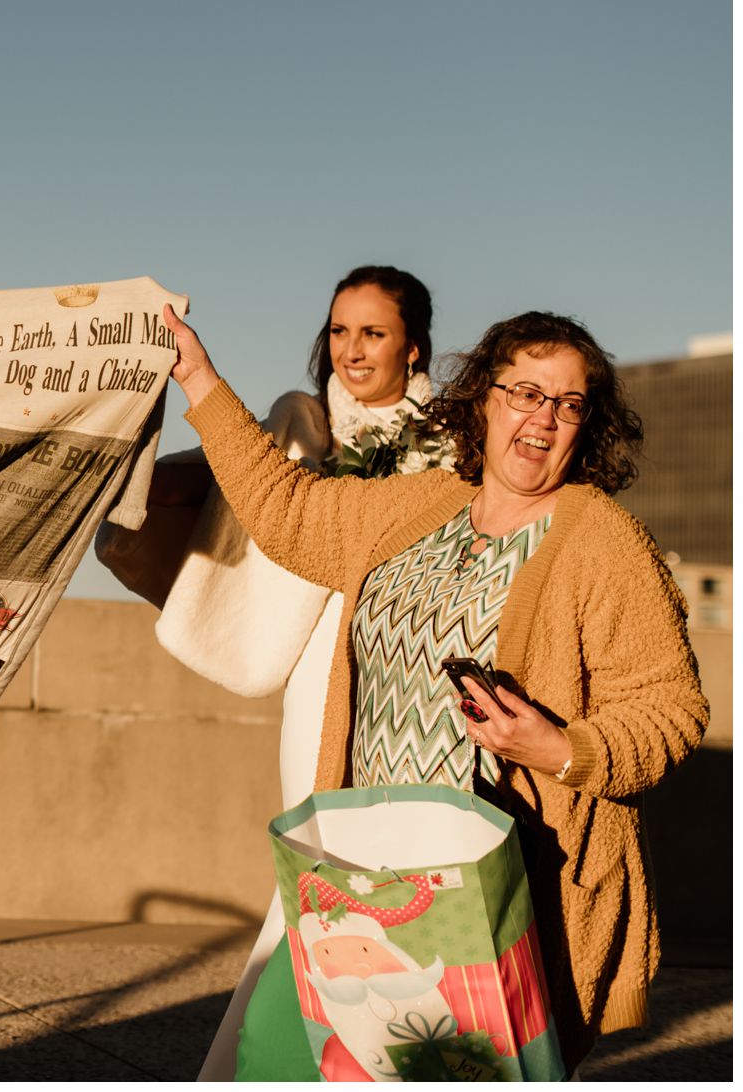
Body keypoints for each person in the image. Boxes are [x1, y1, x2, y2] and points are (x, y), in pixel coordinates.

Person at [164, 303, 706, 1075]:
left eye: (567, 402)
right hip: (357, 873)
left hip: (493, 895)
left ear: (588, 424)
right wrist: (198, 377)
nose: (543, 418)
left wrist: (559, 748)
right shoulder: (417, 505)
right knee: (288, 1064)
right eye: (523, 393)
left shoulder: (604, 543)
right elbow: (287, 509)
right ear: (482, 400)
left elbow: (672, 711)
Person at [96, 266, 451, 1079]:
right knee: (322, 861)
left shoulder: (452, 444)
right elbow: (235, 478)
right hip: (321, 667)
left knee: (393, 870)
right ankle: (279, 1063)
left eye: (373, 332)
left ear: (414, 344)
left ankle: (346, 1056)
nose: (351, 350)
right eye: (338, 330)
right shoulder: (304, 424)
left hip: (410, 680)